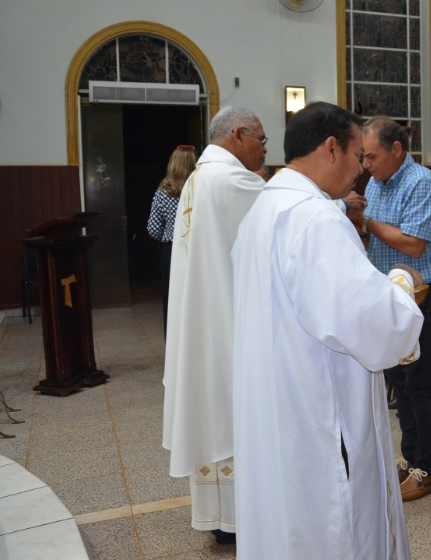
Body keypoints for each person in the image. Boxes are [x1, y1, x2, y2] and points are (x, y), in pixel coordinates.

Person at [231, 102, 424, 560]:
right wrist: (400, 282)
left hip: (282, 407)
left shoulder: (264, 207)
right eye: (359, 156)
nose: (361, 171)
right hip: (320, 414)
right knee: (336, 532)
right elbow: (375, 326)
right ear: (331, 147)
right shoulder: (315, 218)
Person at [162, 106, 267, 544]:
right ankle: (241, 520)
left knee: (212, 411)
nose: (265, 148)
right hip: (225, 325)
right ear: (238, 135)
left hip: (201, 322)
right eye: (261, 138)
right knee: (229, 411)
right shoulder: (231, 180)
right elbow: (294, 215)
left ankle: (222, 520)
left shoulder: (198, 178)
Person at [352, 116, 431, 501]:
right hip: (390, 297)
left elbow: (413, 244)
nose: (366, 165)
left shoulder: (421, 183)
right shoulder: (378, 183)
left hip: (424, 297)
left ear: (397, 150)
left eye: (372, 156)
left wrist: (367, 222)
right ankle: (411, 460)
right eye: (363, 156)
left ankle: (430, 469)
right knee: (400, 383)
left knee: (421, 385)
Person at [147, 145, 196, 333]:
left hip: (171, 251)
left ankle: (173, 346)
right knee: (195, 297)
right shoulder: (199, 190)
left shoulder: (162, 191)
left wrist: (167, 238)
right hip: (195, 250)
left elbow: (152, 228)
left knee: (171, 298)